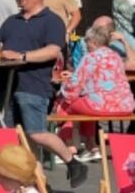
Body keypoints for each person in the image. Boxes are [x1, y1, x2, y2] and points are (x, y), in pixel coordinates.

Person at [0, 0, 88, 187]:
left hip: (34, 85)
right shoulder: (11, 21)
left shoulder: (52, 21)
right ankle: (39, 184)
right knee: (19, 139)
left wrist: (22, 56)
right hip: (6, 87)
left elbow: (53, 50)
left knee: (36, 134)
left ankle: (73, 162)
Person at [54, 22, 134, 158]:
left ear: (93, 41)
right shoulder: (115, 57)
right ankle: (91, 146)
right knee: (85, 103)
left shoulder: (90, 57)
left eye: (87, 41)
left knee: (66, 102)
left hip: (102, 106)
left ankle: (68, 147)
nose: (86, 44)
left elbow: (74, 85)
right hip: (125, 106)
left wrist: (63, 92)